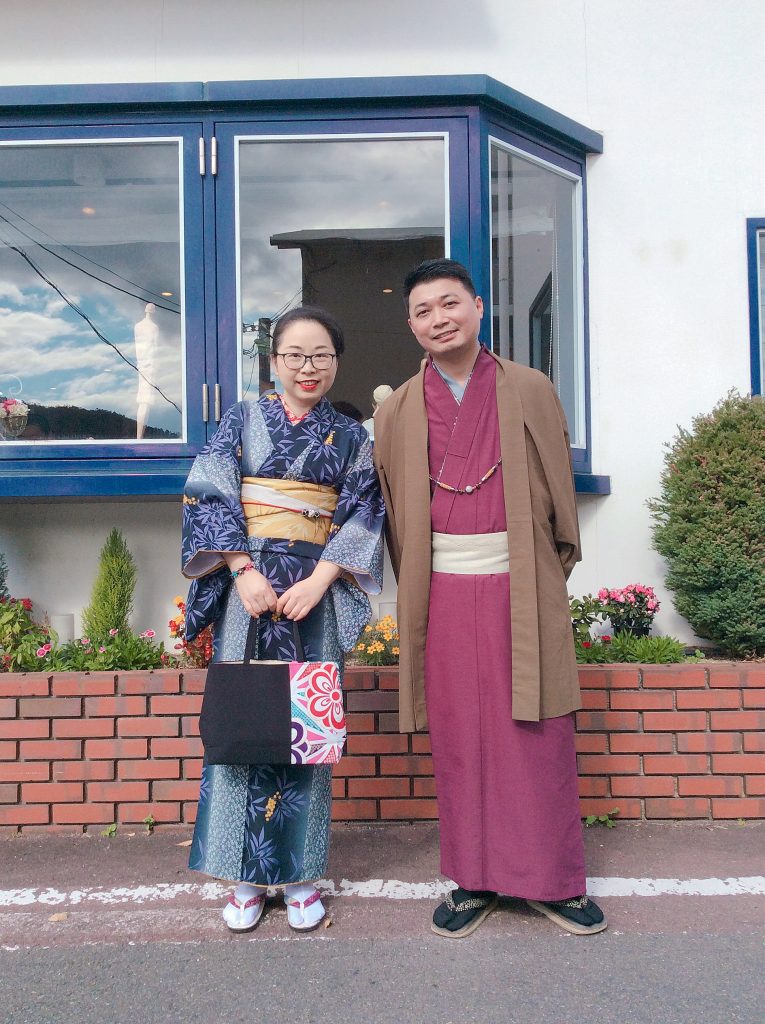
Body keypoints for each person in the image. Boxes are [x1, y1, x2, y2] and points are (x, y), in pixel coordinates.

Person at [373, 258, 606, 938]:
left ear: (478, 308)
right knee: (460, 735)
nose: (438, 319)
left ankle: (555, 882)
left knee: (537, 732)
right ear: (411, 325)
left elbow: (558, 495)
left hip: (520, 584)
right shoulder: (396, 409)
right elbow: (393, 514)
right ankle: (472, 880)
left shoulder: (530, 388)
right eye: (423, 310)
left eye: (450, 303)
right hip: (442, 590)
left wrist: (540, 572)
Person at [182, 305, 384, 933]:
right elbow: (208, 491)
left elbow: (365, 511)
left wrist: (322, 580)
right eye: (294, 355)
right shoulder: (240, 420)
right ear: (273, 361)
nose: (307, 367)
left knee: (306, 734)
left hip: (312, 596)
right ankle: (242, 879)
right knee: (242, 724)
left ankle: (300, 875)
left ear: (335, 363)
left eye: (320, 355)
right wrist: (241, 569)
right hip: (249, 593)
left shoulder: (353, 437)